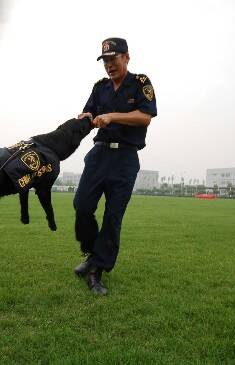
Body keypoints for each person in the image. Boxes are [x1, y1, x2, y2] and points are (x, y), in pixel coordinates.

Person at [73, 37, 157, 295]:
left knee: (113, 216)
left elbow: (145, 117)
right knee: (82, 205)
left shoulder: (140, 82)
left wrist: (112, 116)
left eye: (114, 59)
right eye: (105, 60)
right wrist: (85, 118)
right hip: (99, 155)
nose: (110, 65)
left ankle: (97, 270)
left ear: (127, 57)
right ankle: (91, 252)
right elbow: (88, 114)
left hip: (125, 159)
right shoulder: (100, 88)